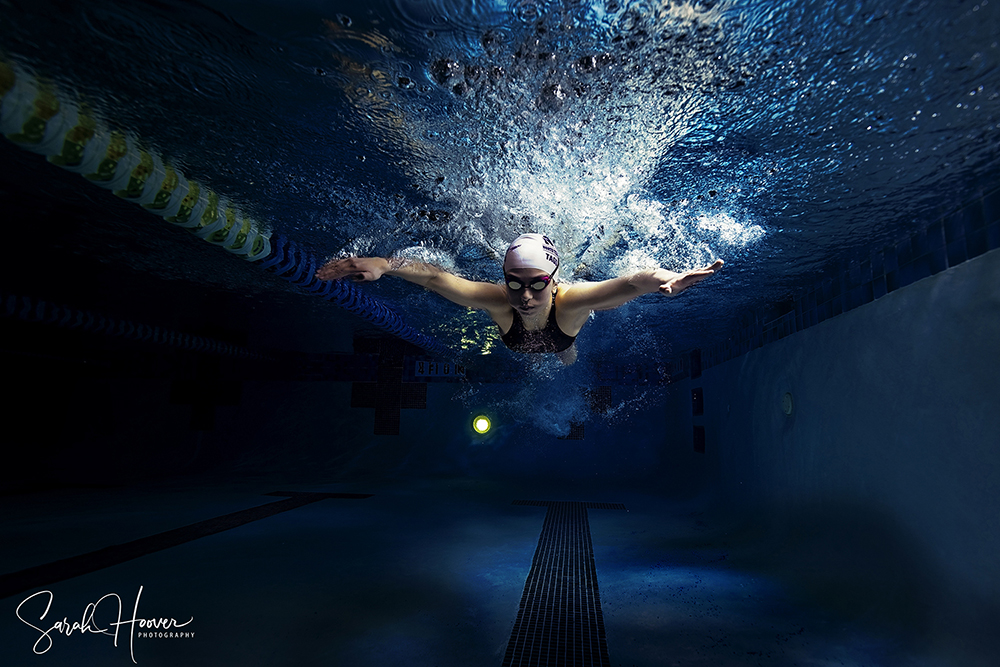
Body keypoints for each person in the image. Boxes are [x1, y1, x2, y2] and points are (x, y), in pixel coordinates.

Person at [315, 234, 723, 364]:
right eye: (514, 282)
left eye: (537, 284)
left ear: (555, 280)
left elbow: (633, 282)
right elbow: (439, 279)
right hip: (517, 342)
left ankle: (567, 355)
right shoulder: (497, 300)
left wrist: (667, 278)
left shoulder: (571, 301)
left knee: (567, 359)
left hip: (563, 340)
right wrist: (386, 264)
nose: (525, 296)